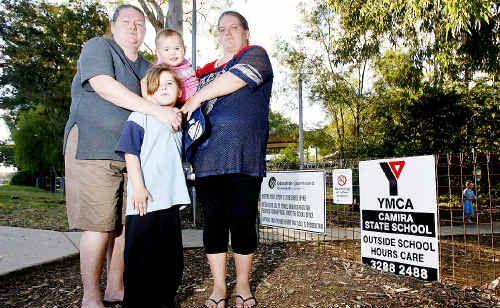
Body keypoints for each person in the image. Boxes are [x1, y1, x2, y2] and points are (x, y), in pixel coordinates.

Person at [63, 4, 182, 308]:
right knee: (99, 224)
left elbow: (168, 88)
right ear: (113, 25)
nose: (133, 27)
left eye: (140, 24)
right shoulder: (98, 47)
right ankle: (90, 295)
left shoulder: (144, 67)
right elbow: (104, 86)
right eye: (127, 21)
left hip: (132, 156)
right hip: (93, 147)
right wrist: (156, 110)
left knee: (125, 225)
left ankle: (116, 287)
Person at [181, 11, 273, 308]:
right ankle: (219, 287)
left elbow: (233, 81)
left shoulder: (255, 55)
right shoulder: (203, 70)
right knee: (214, 224)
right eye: (222, 29)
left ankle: (243, 285)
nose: (228, 33)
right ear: (217, 35)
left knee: (243, 222)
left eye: (234, 28)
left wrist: (196, 98)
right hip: (207, 160)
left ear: (247, 32)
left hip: (244, 158)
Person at [116, 65, 191, 308]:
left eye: (170, 83)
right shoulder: (139, 117)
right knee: (140, 258)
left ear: (180, 90)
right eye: (158, 85)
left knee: (170, 259)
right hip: (145, 203)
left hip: (169, 202)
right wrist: (138, 187)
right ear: (148, 93)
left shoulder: (179, 122)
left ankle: (164, 301)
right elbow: (130, 153)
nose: (164, 88)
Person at [153, 29, 199, 103]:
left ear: (184, 50)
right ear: (158, 53)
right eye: (167, 49)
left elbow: (193, 80)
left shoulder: (185, 64)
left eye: (177, 48)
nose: (172, 53)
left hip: (195, 97)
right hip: (175, 104)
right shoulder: (160, 71)